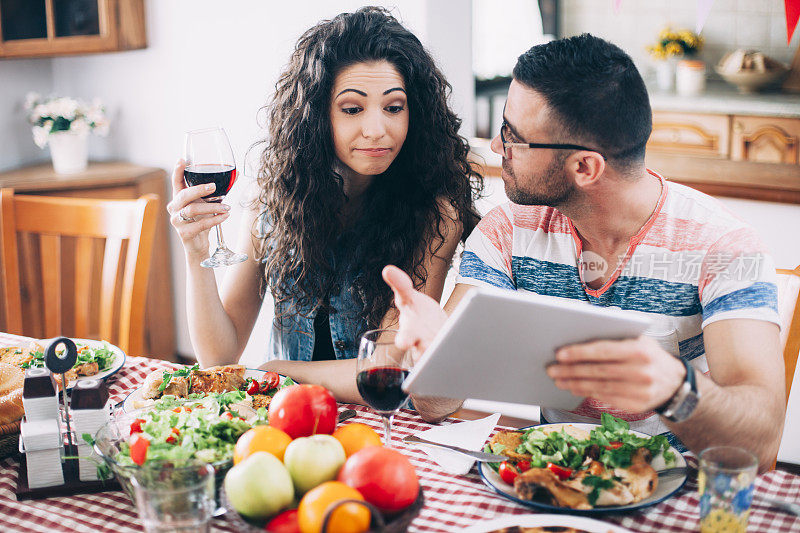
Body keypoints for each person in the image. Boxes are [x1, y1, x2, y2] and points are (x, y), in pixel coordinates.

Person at [383, 34, 785, 470]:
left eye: (513, 136)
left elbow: (759, 447)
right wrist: (433, 355)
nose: (498, 148)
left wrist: (676, 388)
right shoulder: (509, 230)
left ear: (585, 167)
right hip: (552, 481)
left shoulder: (724, 246)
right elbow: (436, 407)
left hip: (677, 494)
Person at [167, 7, 482, 422]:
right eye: (352, 109)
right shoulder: (275, 198)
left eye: (394, 107)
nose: (376, 129)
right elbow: (219, 356)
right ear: (317, 116)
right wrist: (195, 251)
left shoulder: (434, 212)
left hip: (374, 425)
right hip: (279, 418)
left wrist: (280, 372)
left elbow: (388, 365)